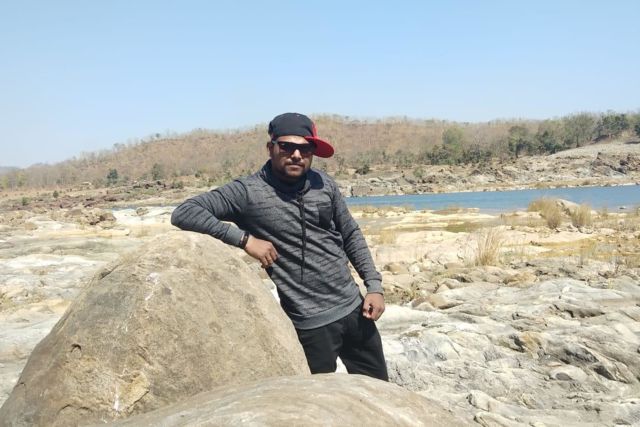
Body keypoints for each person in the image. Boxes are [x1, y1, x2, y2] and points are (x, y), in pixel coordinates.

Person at [171, 112, 388, 381]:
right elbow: (185, 213)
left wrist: (374, 286)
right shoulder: (247, 192)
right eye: (287, 147)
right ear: (270, 148)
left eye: (305, 149)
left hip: (356, 310)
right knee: (314, 401)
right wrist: (245, 240)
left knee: (381, 392)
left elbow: (351, 234)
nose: (296, 155)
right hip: (310, 326)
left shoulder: (323, 184)